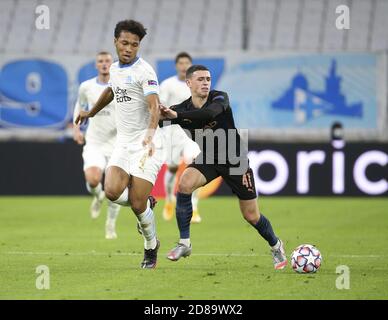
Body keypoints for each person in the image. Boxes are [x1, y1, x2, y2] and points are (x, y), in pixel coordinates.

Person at [160, 65, 287, 270]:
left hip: (235, 160)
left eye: (208, 79)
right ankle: (184, 243)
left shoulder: (219, 98)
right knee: (184, 183)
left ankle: (275, 245)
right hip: (209, 158)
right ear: (189, 83)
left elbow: (209, 114)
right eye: (200, 79)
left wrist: (174, 117)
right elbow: (157, 121)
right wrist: (155, 114)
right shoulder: (180, 108)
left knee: (251, 215)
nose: (205, 83)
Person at [75, 20, 163, 269]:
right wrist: (90, 112)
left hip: (148, 144)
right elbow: (112, 91)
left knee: (136, 205)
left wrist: (150, 132)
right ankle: (146, 203)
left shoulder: (145, 72)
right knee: (112, 192)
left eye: (134, 45)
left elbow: (154, 105)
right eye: (124, 43)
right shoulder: (114, 69)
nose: (129, 48)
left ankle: (150, 246)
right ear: (115, 42)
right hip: (123, 144)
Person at [73, 51, 120, 240]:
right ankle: (98, 196)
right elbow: (80, 106)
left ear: (112, 63)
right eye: (100, 61)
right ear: (96, 65)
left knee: (115, 189)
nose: (104, 64)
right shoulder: (86, 87)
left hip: (117, 143)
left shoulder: (120, 85)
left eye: (107, 60)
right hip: (95, 141)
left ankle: (110, 224)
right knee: (93, 180)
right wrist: (77, 129)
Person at [159, 52, 202, 223]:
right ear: (176, 65)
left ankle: (194, 207)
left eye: (187, 63)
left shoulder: (197, 84)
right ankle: (169, 199)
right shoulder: (168, 84)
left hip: (192, 133)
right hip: (173, 132)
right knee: (172, 168)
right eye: (181, 63)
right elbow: (160, 107)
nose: (184, 66)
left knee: (196, 165)